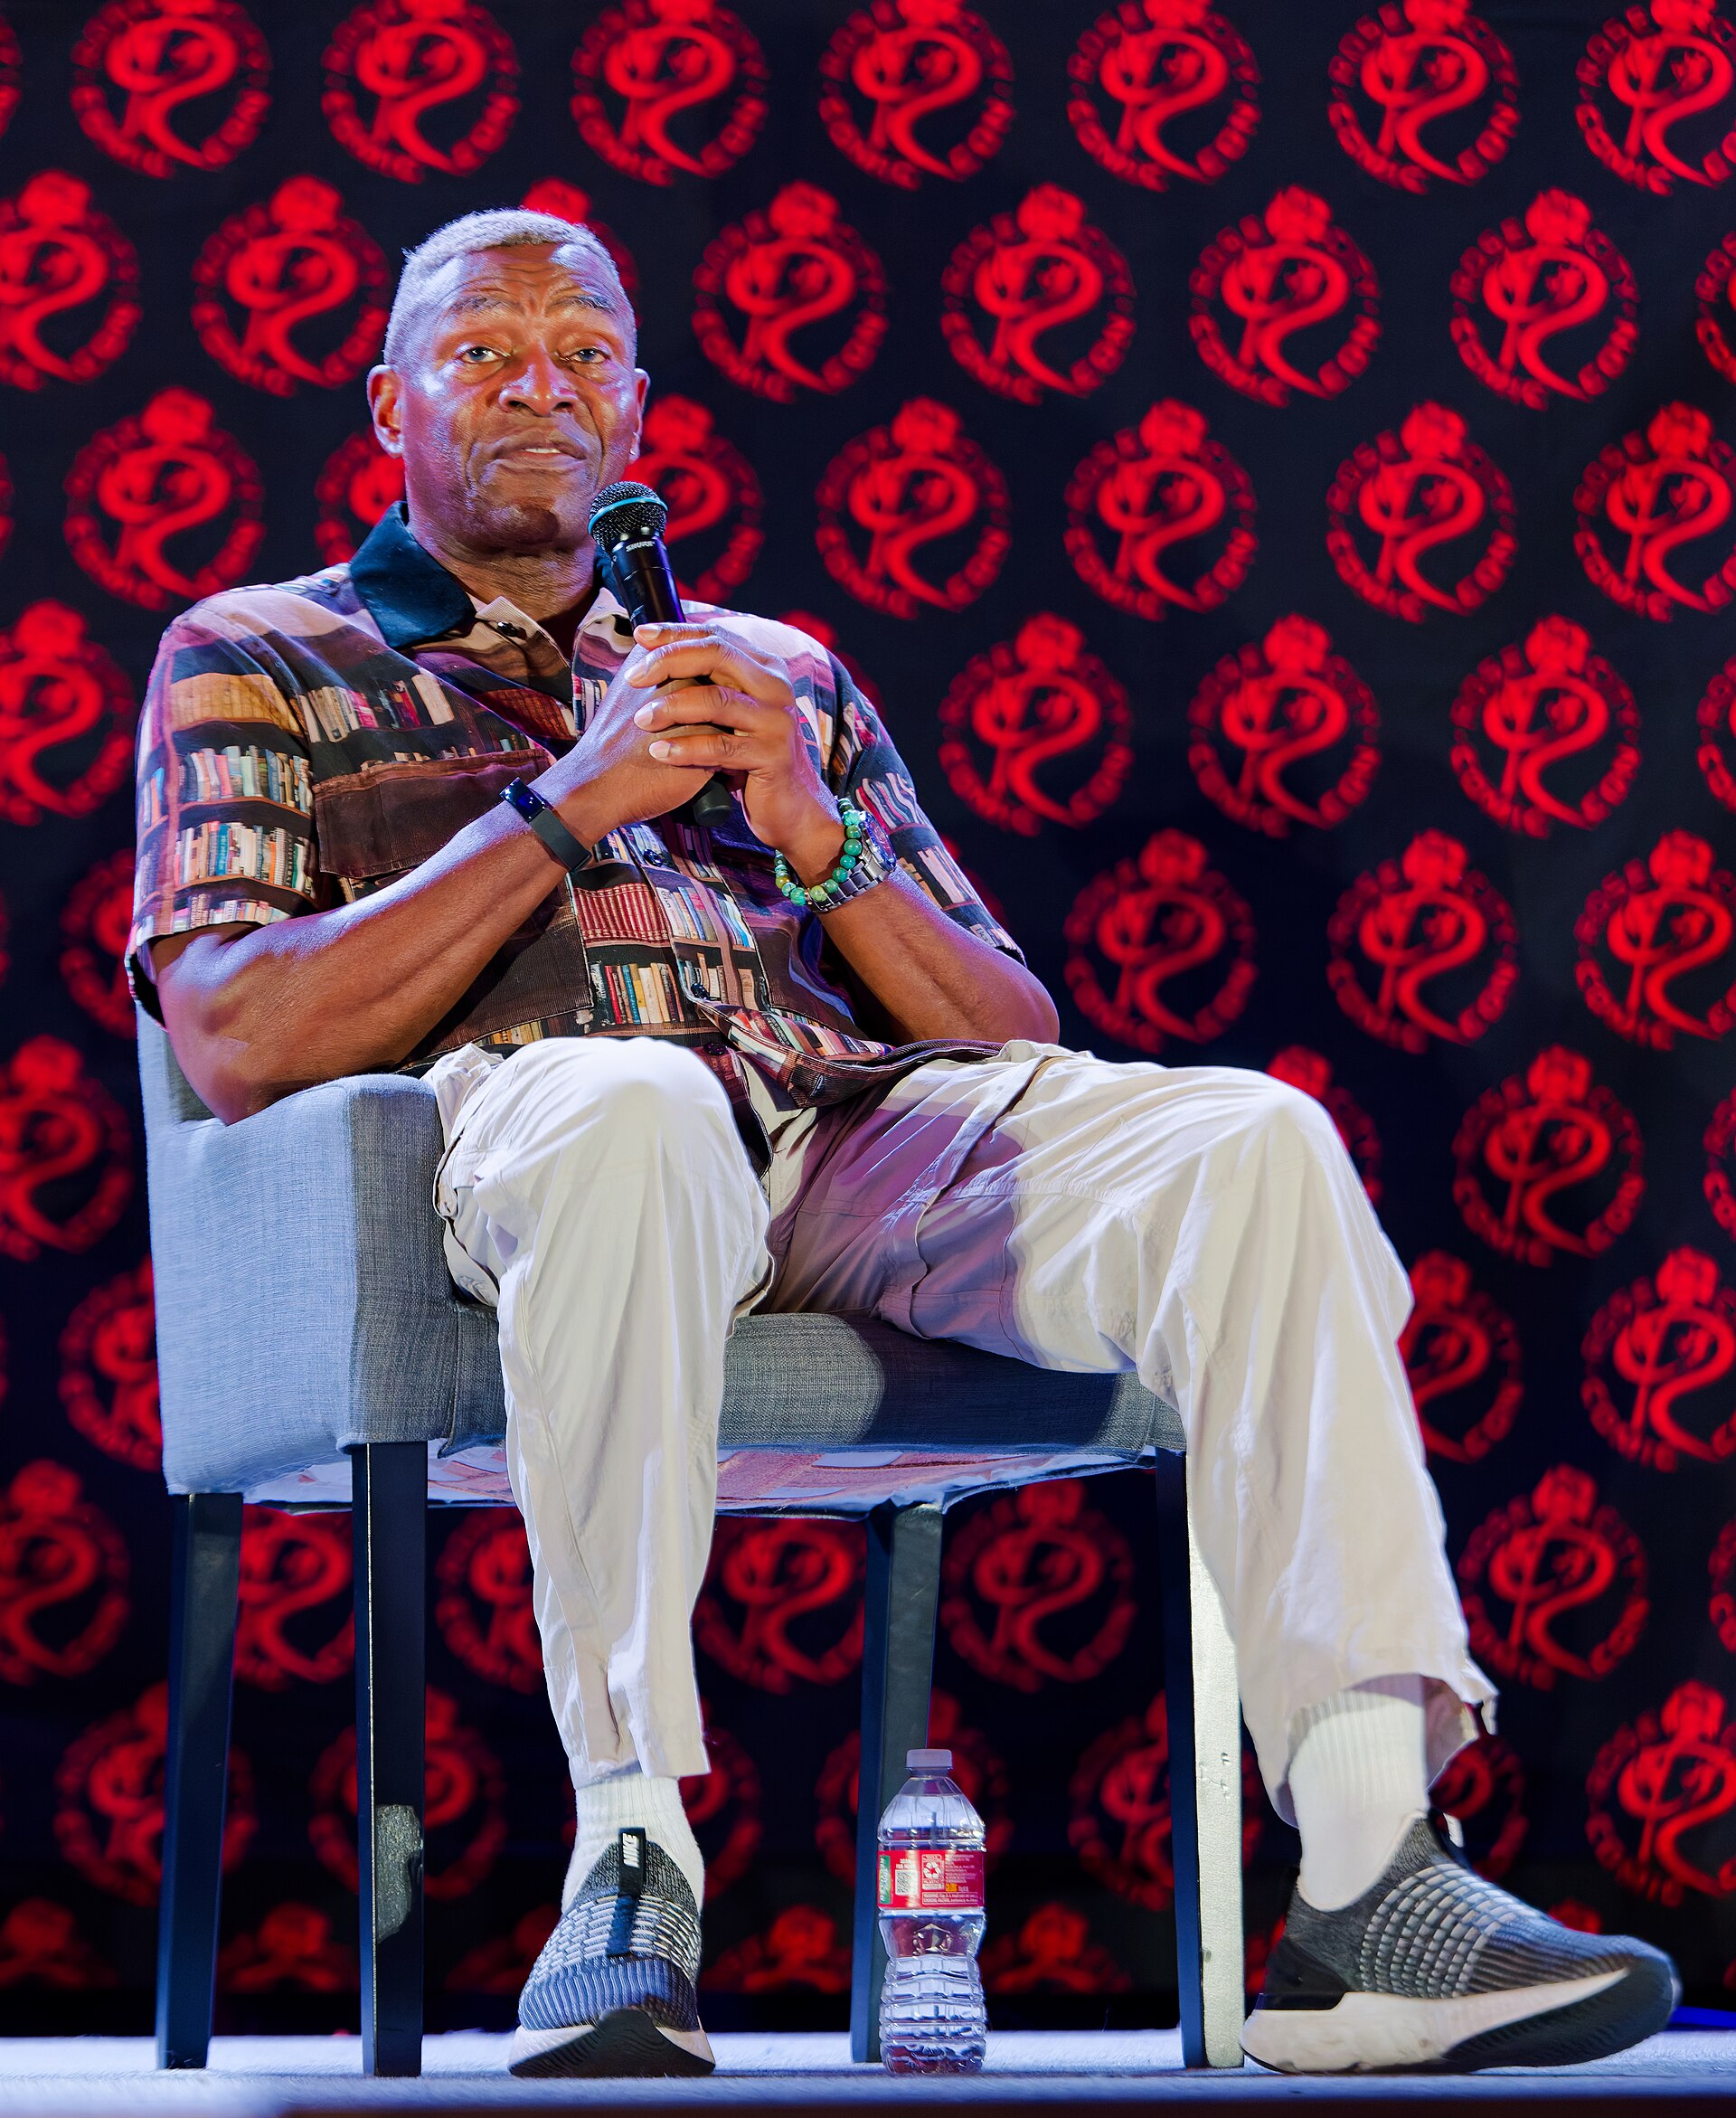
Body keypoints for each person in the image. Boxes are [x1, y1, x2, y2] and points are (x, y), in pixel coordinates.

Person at [128, 210, 1675, 2080]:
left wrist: (809, 823)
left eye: (587, 354)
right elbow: (234, 1033)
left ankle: (1371, 1873)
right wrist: (567, 802)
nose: (542, 386)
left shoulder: (769, 668)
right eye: (485, 352)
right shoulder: (257, 654)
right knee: (637, 1109)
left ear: (640, 410)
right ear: (389, 402)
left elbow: (1008, 1029)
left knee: (1250, 1143)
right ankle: (631, 1857)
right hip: (531, 1149)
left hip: (845, 1145)